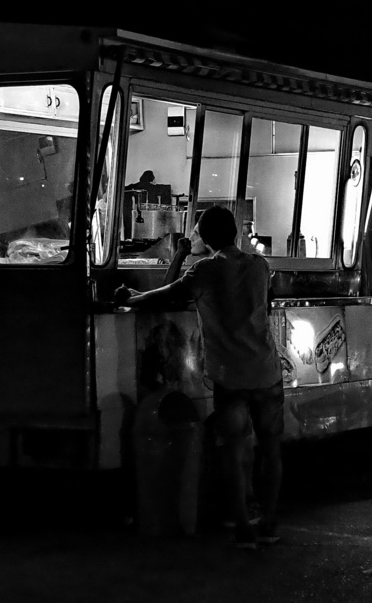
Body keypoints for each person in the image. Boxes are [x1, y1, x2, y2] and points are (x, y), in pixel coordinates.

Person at [115, 206, 282, 549]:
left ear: (204, 238)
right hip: (267, 372)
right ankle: (268, 523)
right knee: (271, 449)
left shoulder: (204, 271)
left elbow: (163, 294)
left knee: (233, 452)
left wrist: (131, 298)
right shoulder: (260, 266)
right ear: (235, 233)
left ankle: (243, 529)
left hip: (231, 377)